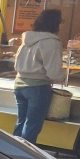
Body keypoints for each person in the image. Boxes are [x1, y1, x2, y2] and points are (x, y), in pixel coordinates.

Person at [12, 8, 65, 144]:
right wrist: (64, 76)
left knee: (21, 123)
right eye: (61, 22)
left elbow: (16, 64)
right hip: (38, 88)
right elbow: (54, 72)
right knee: (32, 127)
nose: (61, 25)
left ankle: (13, 152)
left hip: (19, 85)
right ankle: (25, 155)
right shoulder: (52, 42)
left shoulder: (26, 39)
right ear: (55, 23)